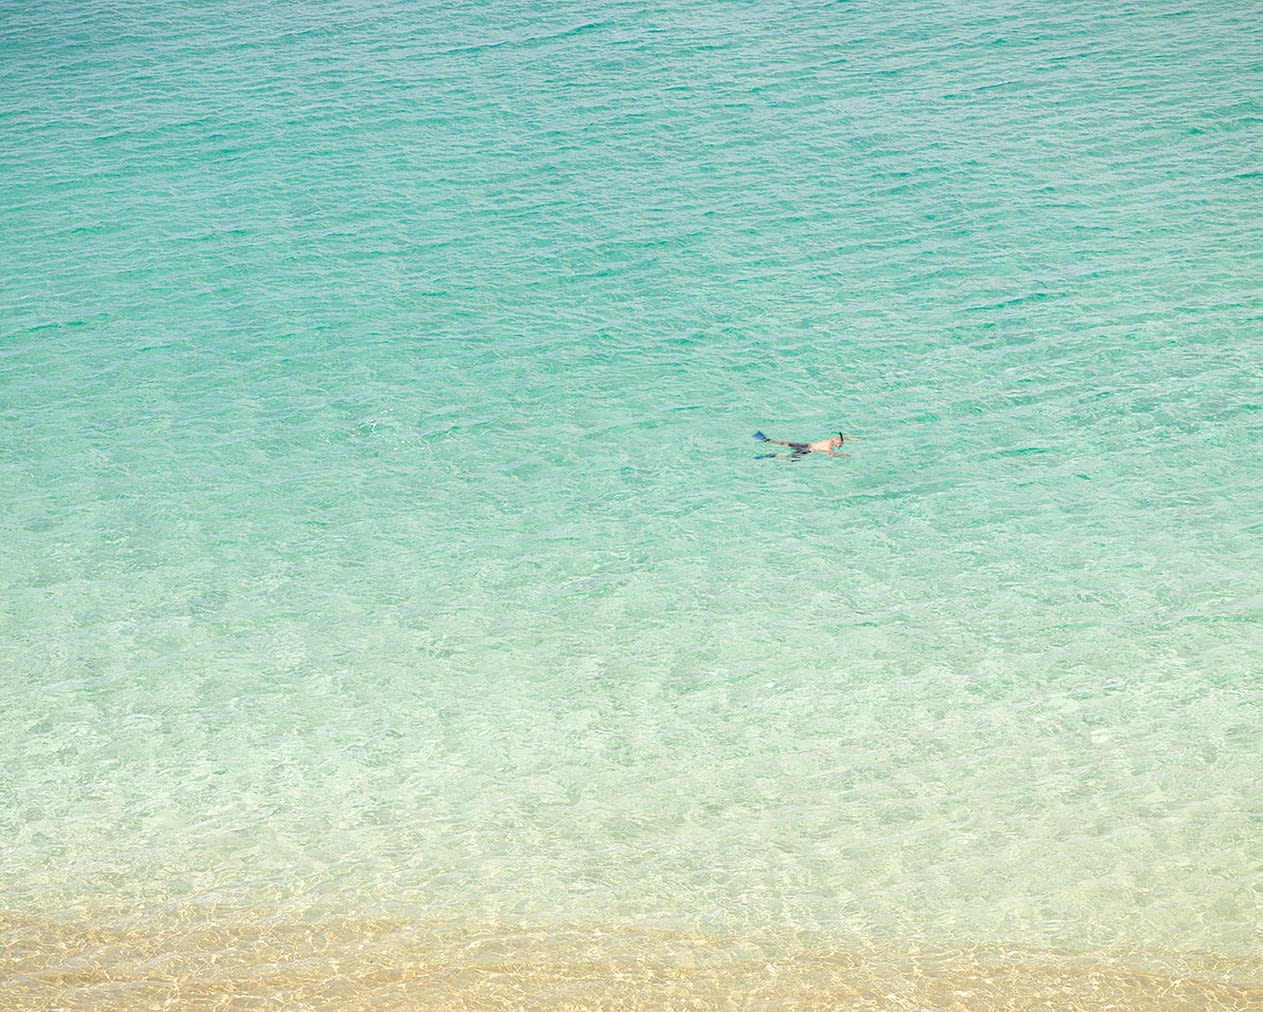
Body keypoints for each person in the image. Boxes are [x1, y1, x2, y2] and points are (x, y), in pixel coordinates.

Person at [753, 430, 857, 457]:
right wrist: (844, 455)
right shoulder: (830, 446)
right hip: (807, 450)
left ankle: (766, 440)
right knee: (789, 457)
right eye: (840, 444)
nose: (840, 445)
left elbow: (842, 437)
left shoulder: (831, 440)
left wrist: (852, 439)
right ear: (837, 441)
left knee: (786, 443)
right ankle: (771, 455)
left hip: (807, 445)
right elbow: (832, 455)